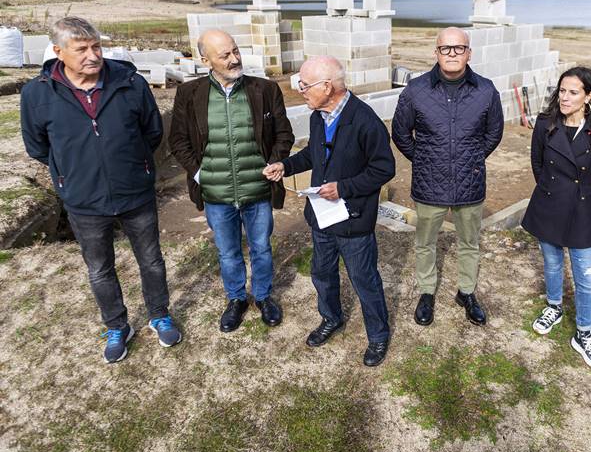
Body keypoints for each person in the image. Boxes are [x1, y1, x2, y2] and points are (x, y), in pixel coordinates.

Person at [20, 16, 181, 363]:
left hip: (134, 192)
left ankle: (159, 314)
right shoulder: (37, 93)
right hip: (83, 200)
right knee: (99, 269)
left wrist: (134, 164)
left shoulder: (129, 83)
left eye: (96, 46)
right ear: (59, 52)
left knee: (151, 260)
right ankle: (117, 326)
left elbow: (152, 133)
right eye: (82, 49)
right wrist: (72, 173)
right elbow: (38, 147)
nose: (93, 55)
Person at [264, 56, 394, 367]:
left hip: (353, 221)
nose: (299, 90)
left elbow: (383, 168)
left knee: (364, 280)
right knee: (322, 274)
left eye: (304, 85)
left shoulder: (366, 122)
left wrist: (343, 188)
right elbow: (313, 154)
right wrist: (286, 165)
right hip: (321, 218)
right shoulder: (317, 115)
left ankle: (377, 336)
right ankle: (331, 319)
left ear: (327, 86)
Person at [169, 30, 294, 333]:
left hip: (257, 190)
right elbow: (178, 141)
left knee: (261, 247)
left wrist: (274, 161)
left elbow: (284, 134)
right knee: (228, 252)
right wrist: (200, 175)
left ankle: (263, 296)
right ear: (205, 59)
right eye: (224, 55)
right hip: (216, 194)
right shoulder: (190, 94)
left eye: (235, 51)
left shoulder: (265, 89)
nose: (234, 58)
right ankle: (236, 299)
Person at [391, 26, 504, 327]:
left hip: (470, 182)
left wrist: (473, 159)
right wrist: (424, 159)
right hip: (429, 183)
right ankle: (427, 291)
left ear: (469, 53)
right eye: (446, 48)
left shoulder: (486, 90)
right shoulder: (415, 90)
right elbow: (401, 133)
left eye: (459, 48)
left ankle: (466, 292)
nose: (452, 54)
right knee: (425, 242)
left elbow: (494, 133)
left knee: (470, 242)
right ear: (436, 52)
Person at [522, 67, 591, 371]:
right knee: (552, 263)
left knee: (586, 276)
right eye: (562, 90)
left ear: (588, 96)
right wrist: (552, 189)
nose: (565, 97)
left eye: (573, 92)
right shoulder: (545, 124)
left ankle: (584, 333)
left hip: (582, 209)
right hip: (549, 204)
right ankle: (554, 307)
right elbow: (537, 164)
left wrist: (579, 195)